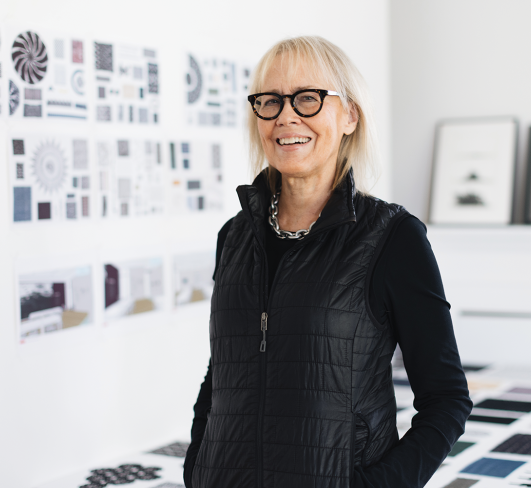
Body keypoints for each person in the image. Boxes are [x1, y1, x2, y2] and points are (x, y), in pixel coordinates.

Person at [184, 36, 472, 488]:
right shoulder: (234, 236)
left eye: (307, 99)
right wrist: (197, 467)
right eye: (270, 101)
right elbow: (222, 373)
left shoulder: (393, 237)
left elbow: (447, 399)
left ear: (350, 116)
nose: (285, 116)